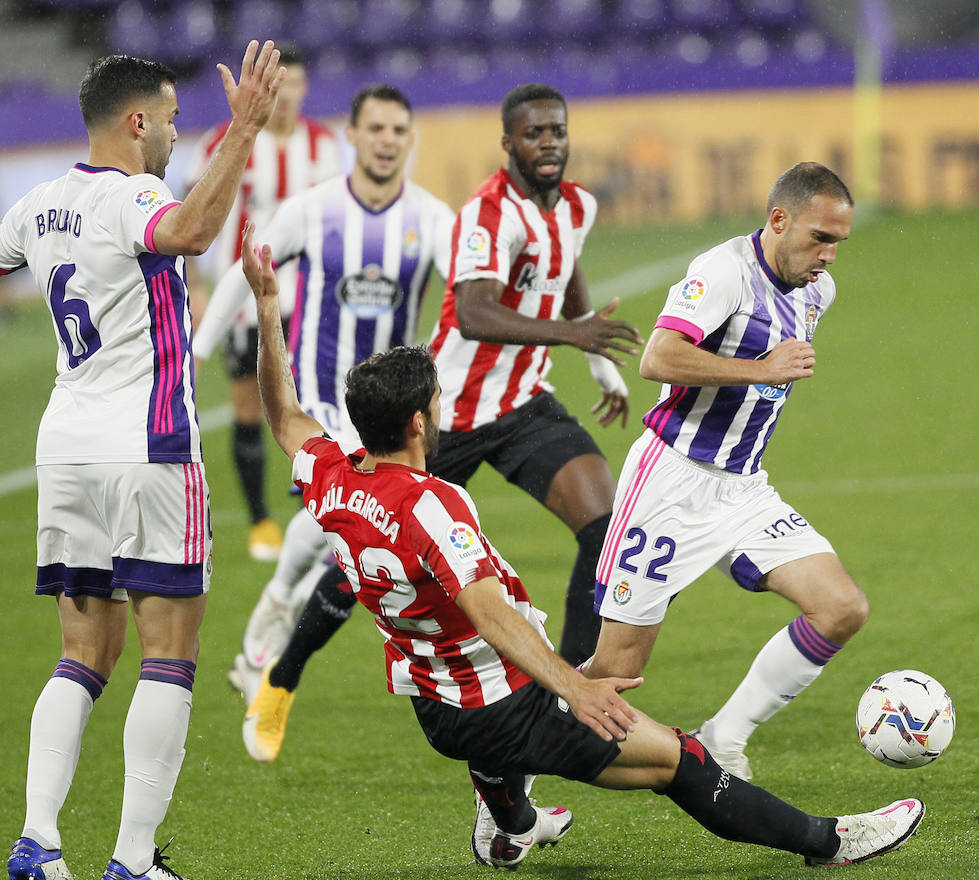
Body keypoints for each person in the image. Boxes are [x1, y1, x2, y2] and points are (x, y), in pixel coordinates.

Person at [239, 229, 925, 872]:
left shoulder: (330, 474)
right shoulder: (431, 505)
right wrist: (575, 688)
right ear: (420, 421)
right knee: (676, 762)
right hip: (501, 707)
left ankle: (506, 823)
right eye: (440, 402)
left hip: (433, 700)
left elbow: (284, 415)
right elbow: (489, 614)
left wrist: (269, 310)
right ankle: (827, 841)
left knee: (498, 741)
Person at [0, 43, 285, 880]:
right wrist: (249, 128)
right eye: (176, 120)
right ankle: (135, 860)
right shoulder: (134, 196)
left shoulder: (42, 204)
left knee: (82, 656)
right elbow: (188, 231)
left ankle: (38, 838)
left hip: (64, 450)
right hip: (148, 449)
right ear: (137, 121)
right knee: (170, 654)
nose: (180, 136)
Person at [238, 81, 642, 764]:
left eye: (558, 131)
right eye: (534, 133)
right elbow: (477, 310)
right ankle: (283, 676)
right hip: (446, 411)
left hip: (523, 404)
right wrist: (576, 340)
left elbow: (565, 271)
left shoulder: (579, 204)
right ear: (509, 143)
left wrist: (599, 357)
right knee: (359, 558)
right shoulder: (483, 214)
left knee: (607, 530)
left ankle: (570, 688)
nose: (549, 143)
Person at [586, 162, 863, 783]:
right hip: (671, 483)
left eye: (839, 242)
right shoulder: (723, 273)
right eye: (820, 238)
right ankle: (505, 777)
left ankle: (725, 737)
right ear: (778, 220)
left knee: (840, 606)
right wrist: (760, 369)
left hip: (742, 490)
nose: (829, 256)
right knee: (615, 670)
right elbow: (658, 357)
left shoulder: (818, 293)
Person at [190, 84, 454, 716]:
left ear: (409, 140)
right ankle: (267, 640)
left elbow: (466, 299)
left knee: (343, 536)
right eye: (376, 129)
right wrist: (196, 355)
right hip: (317, 403)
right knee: (347, 526)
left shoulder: (434, 219)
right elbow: (241, 274)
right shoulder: (312, 211)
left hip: (386, 410)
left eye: (398, 130)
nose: (388, 140)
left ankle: (267, 633)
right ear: (353, 138)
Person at [187, 42, 340, 562]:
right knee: (248, 407)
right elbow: (192, 213)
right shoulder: (223, 144)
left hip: (311, 299)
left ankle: (316, 510)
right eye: (281, 86)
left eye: (297, 85)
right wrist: (199, 288)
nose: (289, 96)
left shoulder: (324, 145)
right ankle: (259, 522)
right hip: (246, 300)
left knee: (316, 403)